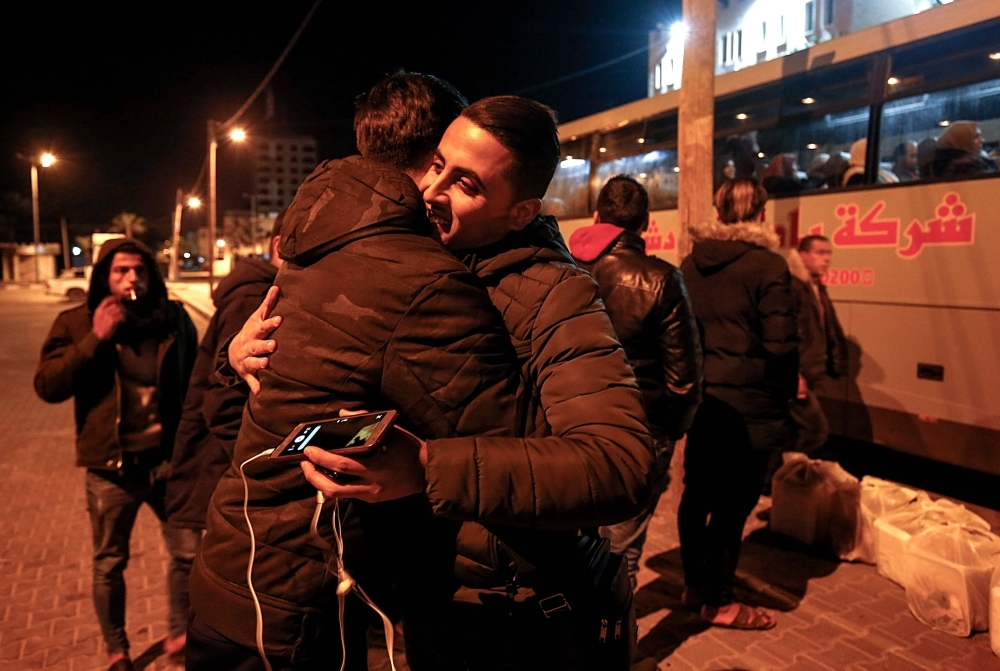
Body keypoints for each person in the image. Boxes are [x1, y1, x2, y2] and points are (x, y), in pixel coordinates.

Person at [197, 83, 653, 671]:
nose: (432, 192)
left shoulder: (555, 294)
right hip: (427, 598)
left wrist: (426, 468)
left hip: (505, 608)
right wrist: (240, 357)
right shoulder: (410, 261)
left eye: (467, 183)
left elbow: (620, 463)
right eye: (437, 165)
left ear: (521, 211)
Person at [186, 72, 523, 671]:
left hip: (236, 568)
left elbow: (304, 399)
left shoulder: (320, 234)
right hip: (294, 604)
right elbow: (509, 442)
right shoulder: (423, 277)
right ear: (439, 150)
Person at [34, 238, 199, 671]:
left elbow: (195, 383)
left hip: (167, 463)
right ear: (103, 276)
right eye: (121, 271)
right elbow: (48, 386)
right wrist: (96, 338)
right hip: (112, 469)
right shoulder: (76, 323)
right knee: (109, 563)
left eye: (140, 271)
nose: (132, 280)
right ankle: (117, 650)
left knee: (188, 553)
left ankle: (179, 635)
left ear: (152, 275)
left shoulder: (174, 320)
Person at [567, 175, 702, 589]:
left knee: (573, 539)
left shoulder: (561, 266)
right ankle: (610, 649)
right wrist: (669, 432)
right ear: (644, 224)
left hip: (567, 424)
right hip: (639, 432)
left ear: (596, 217)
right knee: (620, 549)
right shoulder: (662, 279)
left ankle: (572, 644)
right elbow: (683, 381)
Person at [161, 216, 285, 661]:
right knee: (206, 570)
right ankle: (185, 636)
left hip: (213, 465)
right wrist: (273, 464)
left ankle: (186, 635)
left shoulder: (259, 291)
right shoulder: (257, 297)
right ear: (279, 245)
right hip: (216, 468)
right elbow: (225, 403)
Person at [678, 179, 797, 630]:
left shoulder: (691, 263)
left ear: (720, 211)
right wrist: (785, 396)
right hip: (751, 408)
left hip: (705, 403)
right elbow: (781, 346)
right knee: (733, 508)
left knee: (696, 496)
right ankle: (720, 602)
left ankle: (693, 585)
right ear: (761, 214)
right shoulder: (768, 266)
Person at [786, 235, 847, 455]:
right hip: (795, 377)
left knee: (793, 432)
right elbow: (784, 334)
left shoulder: (814, 286)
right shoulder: (792, 286)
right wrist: (794, 374)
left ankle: (782, 479)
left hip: (807, 375)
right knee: (815, 432)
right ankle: (787, 479)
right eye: (820, 253)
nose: (826, 259)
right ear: (802, 254)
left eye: (829, 253)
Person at [929, 121, 996, 177]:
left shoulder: (952, 164)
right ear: (961, 141)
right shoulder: (965, 167)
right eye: (976, 137)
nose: (982, 140)